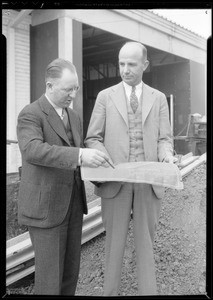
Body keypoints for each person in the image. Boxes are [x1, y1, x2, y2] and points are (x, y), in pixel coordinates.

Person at [85, 41, 178, 296]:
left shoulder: (158, 98)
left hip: (149, 184)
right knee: (114, 247)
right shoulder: (105, 97)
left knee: (146, 246)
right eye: (121, 64)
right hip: (116, 185)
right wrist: (107, 163)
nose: (125, 69)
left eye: (131, 64)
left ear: (145, 65)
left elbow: (164, 139)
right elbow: (92, 138)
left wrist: (167, 156)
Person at [16, 58, 110, 295]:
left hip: (73, 206)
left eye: (76, 88)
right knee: (49, 283)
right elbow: (33, 150)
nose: (73, 94)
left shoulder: (74, 116)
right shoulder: (30, 114)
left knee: (70, 276)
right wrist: (81, 155)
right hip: (46, 210)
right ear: (49, 86)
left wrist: (101, 165)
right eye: (68, 89)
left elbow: (79, 156)